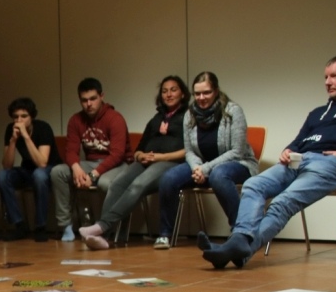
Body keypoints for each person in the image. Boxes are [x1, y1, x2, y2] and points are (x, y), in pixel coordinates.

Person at [201, 55, 336, 269]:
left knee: (282, 202)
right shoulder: (317, 113)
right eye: (326, 77)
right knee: (253, 185)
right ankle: (238, 244)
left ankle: (236, 248)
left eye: (334, 76)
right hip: (299, 161)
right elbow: (298, 142)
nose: (328, 82)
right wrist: (287, 151)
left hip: (333, 164)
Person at [78, 75, 189, 250]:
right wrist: (140, 156)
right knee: (117, 184)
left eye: (173, 90)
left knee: (138, 184)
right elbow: (138, 149)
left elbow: (190, 149)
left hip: (170, 164)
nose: (168, 94)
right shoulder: (156, 118)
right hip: (146, 162)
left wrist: (160, 157)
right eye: (164, 91)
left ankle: (102, 227)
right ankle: (103, 238)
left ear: (182, 94)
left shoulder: (189, 117)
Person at [154, 72, 258, 250]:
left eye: (206, 92)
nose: (201, 98)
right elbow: (189, 150)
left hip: (239, 164)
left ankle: (241, 232)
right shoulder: (190, 114)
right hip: (201, 166)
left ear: (216, 91)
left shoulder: (233, 111)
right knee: (168, 178)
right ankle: (165, 234)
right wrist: (197, 167)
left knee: (218, 174)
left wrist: (205, 169)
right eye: (197, 94)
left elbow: (237, 152)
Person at [50, 78, 133, 242]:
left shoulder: (115, 118)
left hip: (118, 164)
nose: (89, 104)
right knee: (57, 172)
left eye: (93, 99)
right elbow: (71, 150)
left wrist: (93, 175)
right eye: (84, 100)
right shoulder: (76, 120)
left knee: (105, 183)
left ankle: (105, 229)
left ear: (102, 96)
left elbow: (117, 154)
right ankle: (66, 227)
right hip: (90, 163)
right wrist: (76, 168)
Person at [0, 97, 62, 241]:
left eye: (24, 116)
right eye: (16, 117)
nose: (19, 120)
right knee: (2, 176)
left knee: (39, 175)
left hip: (49, 169)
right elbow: (7, 165)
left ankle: (40, 227)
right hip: (27, 170)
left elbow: (42, 163)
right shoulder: (10, 129)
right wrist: (13, 141)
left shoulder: (43, 128)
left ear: (32, 117)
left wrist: (26, 137)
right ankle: (19, 225)